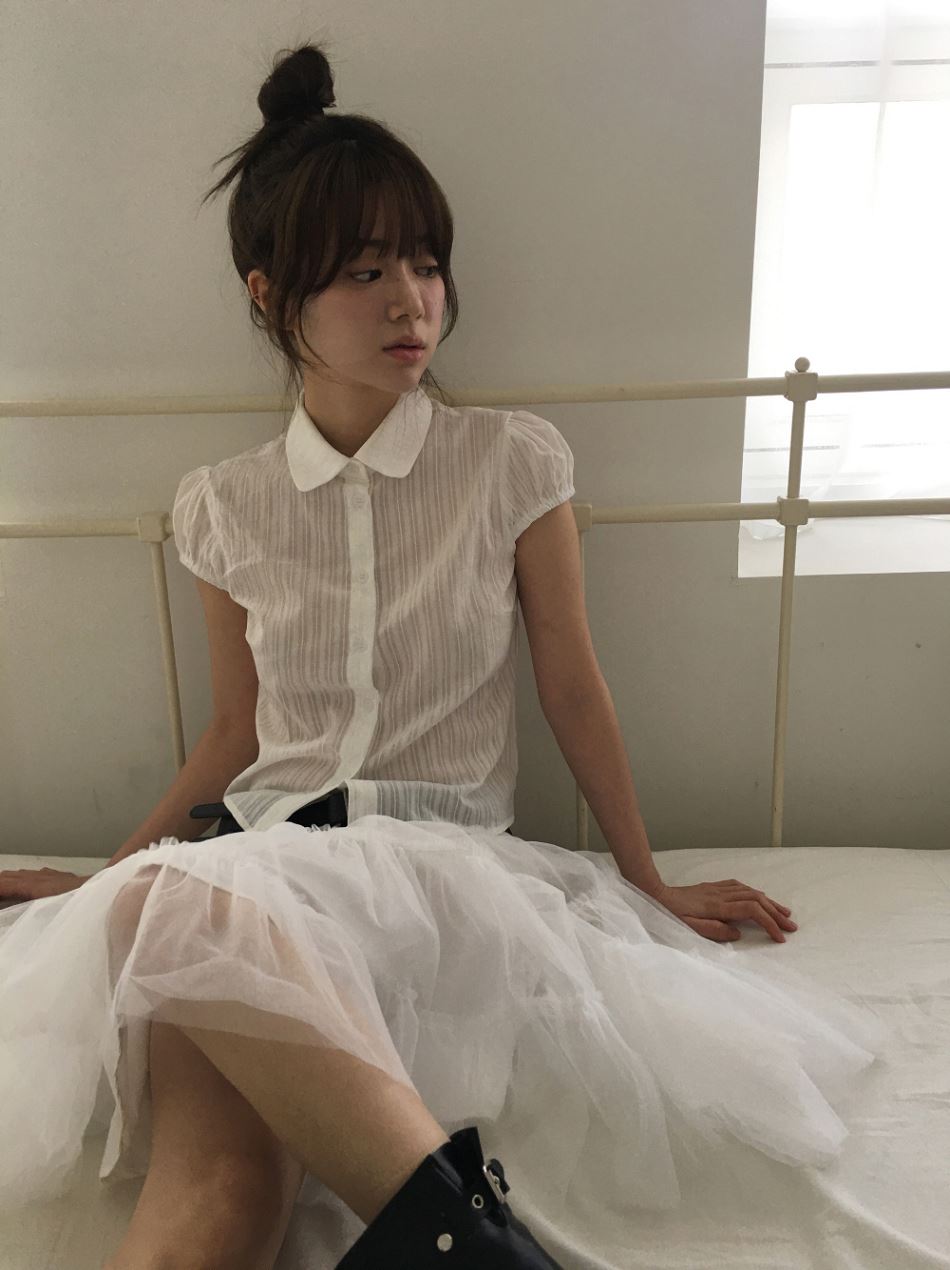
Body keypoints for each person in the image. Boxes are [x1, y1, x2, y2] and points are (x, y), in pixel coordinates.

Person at [0, 41, 887, 1270]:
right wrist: (107, 879)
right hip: (262, 871)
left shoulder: (507, 462)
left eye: (424, 263)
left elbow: (571, 685)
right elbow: (234, 736)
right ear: (269, 295)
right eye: (364, 271)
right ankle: (481, 1249)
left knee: (180, 911)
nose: (410, 301)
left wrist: (643, 874)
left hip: (440, 873)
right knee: (216, 1168)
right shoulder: (221, 507)